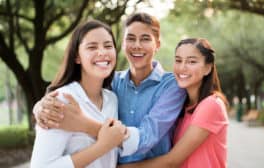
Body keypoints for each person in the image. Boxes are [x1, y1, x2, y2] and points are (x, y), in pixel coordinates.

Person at [33, 12, 186, 164]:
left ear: (157, 45)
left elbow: (145, 139)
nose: (137, 45)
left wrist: (84, 124)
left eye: (145, 39)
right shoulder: (113, 85)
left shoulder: (171, 85)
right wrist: (40, 107)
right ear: (123, 45)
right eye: (130, 39)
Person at [30, 20, 129, 168]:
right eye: (92, 47)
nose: (102, 52)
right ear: (77, 57)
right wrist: (101, 147)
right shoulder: (62, 100)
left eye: (108, 46)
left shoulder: (112, 99)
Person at [119, 38, 229, 168]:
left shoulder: (211, 105)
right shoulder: (182, 106)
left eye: (191, 62)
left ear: (208, 68)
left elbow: (172, 161)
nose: (182, 67)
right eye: (178, 60)